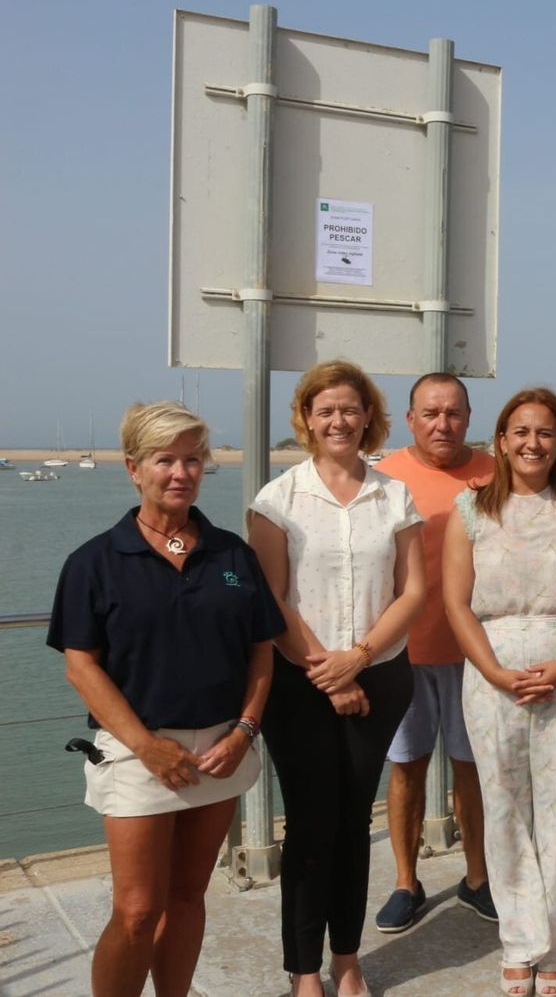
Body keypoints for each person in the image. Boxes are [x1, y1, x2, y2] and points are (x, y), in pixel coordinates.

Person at [47, 402, 282, 997]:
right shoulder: (94, 562)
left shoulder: (233, 555)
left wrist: (246, 730)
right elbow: (82, 667)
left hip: (222, 749)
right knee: (136, 910)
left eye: (192, 459)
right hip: (136, 752)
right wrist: (148, 746)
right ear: (133, 468)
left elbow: (261, 650)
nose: (181, 473)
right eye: (164, 460)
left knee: (187, 896)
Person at [249, 361, 425, 997]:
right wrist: (331, 671)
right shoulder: (278, 498)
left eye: (350, 409)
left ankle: (347, 959)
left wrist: (361, 655)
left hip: (380, 679)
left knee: (353, 822)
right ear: (306, 418)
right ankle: (303, 970)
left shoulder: (393, 495)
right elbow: (269, 599)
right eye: (325, 410)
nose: (338, 421)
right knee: (309, 824)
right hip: (300, 688)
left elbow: (414, 592)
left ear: (368, 417)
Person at [443, 387, 556, 997]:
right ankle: (519, 940)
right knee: (506, 806)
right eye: (520, 431)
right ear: (500, 440)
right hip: (492, 677)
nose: (532, 443)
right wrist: (491, 670)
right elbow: (455, 602)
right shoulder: (470, 512)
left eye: (545, 433)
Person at [373, 373, 498, 933]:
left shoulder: (497, 473)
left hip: (478, 654)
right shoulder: (384, 479)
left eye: (453, 413)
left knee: (473, 770)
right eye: (430, 413)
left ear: (469, 417)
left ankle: (477, 878)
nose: (442, 424)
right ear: (410, 419)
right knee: (407, 769)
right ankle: (406, 881)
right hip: (404, 654)